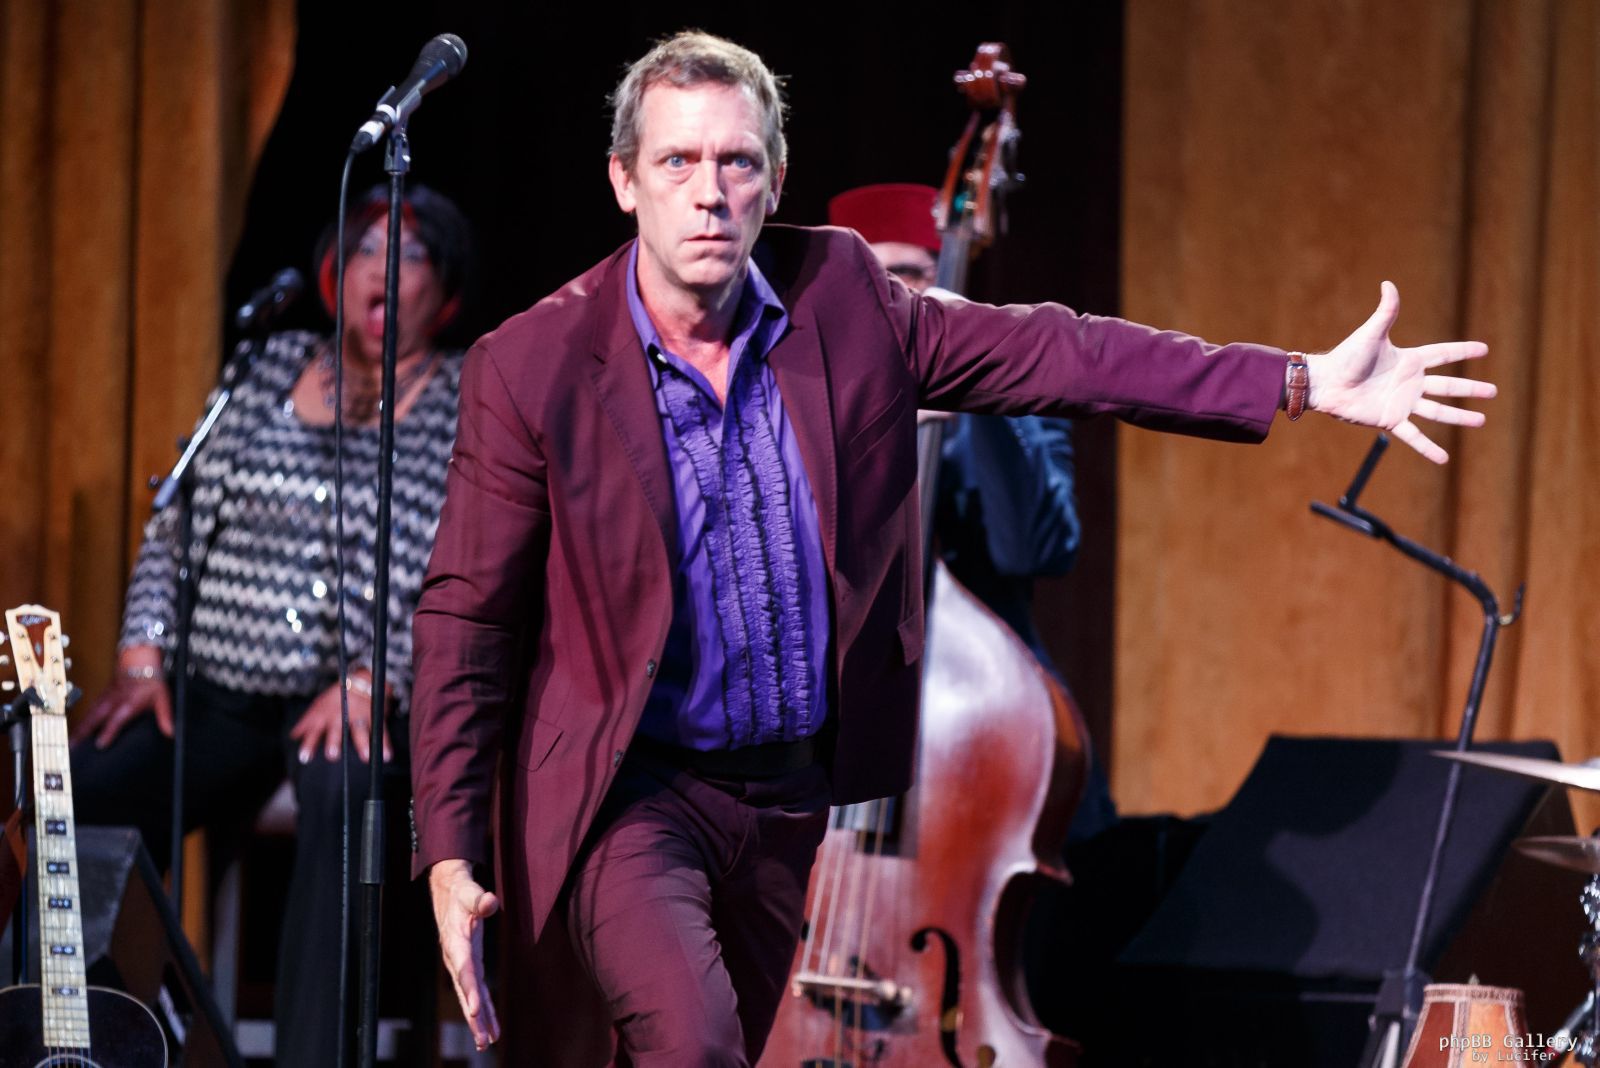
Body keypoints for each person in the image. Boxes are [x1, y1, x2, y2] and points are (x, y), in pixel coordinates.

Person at [409, 31, 1492, 1066]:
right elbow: (466, 616)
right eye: (677, 161)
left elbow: (1062, 354)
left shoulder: (841, 297)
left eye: (736, 161)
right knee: (691, 1047)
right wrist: (450, 850)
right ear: (624, 181)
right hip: (633, 790)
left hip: (786, 799)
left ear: (774, 181)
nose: (709, 191)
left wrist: (1297, 380)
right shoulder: (534, 364)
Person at [70, 183, 473, 1065]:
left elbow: (445, 553)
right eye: (365, 249)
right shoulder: (268, 366)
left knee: (348, 799)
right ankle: (102, 1037)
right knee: (90, 785)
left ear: (442, 289)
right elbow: (177, 517)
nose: (382, 270)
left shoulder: (458, 393)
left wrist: (375, 673)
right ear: (335, 271)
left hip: (348, 696)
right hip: (218, 686)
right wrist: (142, 653)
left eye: (409, 256)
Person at [828, 180, 1117, 841]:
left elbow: (1036, 550)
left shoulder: (1016, 403)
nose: (889, 296)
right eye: (868, 277)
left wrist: (975, 392)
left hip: (995, 745)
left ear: (944, 285)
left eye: (910, 275)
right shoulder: (808, 409)